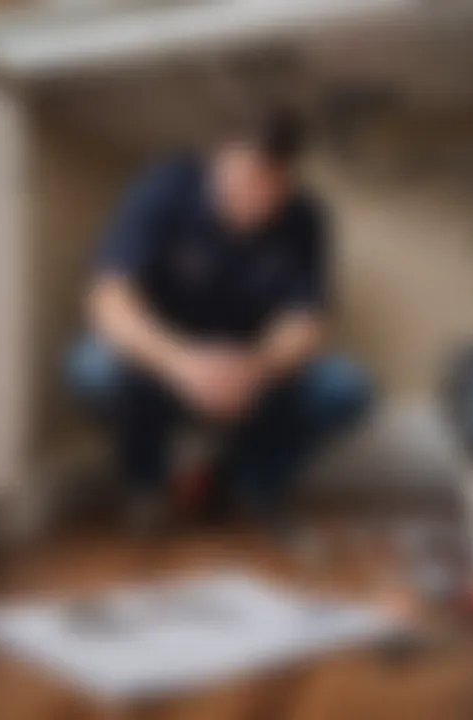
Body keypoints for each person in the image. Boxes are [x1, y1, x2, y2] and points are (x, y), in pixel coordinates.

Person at [68, 107, 376, 535]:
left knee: (346, 386)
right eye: (244, 178)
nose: (255, 197)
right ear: (214, 161)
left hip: (253, 375)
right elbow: (109, 300)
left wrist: (255, 366)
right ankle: (148, 482)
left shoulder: (305, 217)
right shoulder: (163, 188)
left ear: (288, 178)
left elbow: (307, 320)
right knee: (93, 368)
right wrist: (180, 362)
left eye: (272, 184)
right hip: (162, 366)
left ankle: (251, 482)